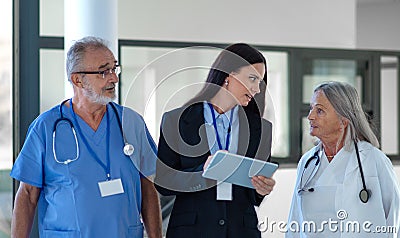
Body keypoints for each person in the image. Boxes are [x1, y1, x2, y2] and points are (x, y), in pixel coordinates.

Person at [10, 36, 162, 238]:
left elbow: (147, 188)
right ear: (77, 80)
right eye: (103, 71)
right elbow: (27, 195)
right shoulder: (46, 127)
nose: (114, 78)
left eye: (114, 69)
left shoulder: (131, 122)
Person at [155, 43, 276, 238]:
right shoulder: (177, 120)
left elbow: (253, 196)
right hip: (192, 230)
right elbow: (164, 181)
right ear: (228, 75)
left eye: (260, 82)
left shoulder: (261, 129)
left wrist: (262, 189)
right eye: (252, 79)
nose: (257, 89)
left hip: (241, 231)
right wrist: (203, 173)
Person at [287, 82, 400, 237]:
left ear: (343, 120)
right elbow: (294, 221)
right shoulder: (308, 162)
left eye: (319, 111)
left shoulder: (373, 160)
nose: (310, 116)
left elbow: (395, 218)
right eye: (311, 108)